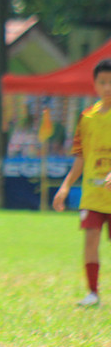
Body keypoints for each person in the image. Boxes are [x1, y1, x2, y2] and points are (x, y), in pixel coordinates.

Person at [52, 57, 111, 307]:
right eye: (103, 82)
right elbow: (80, 156)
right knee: (90, 239)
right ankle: (93, 293)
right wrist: (65, 186)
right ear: (95, 85)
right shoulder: (86, 118)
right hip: (92, 195)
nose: (108, 87)